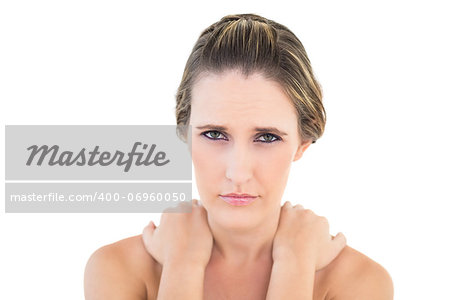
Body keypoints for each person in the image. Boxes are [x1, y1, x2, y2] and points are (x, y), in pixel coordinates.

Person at [84, 13, 393, 299]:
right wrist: (183, 265)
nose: (238, 172)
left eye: (267, 137)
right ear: (185, 134)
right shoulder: (118, 268)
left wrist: (294, 265)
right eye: (214, 134)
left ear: (303, 143)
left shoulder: (359, 281)